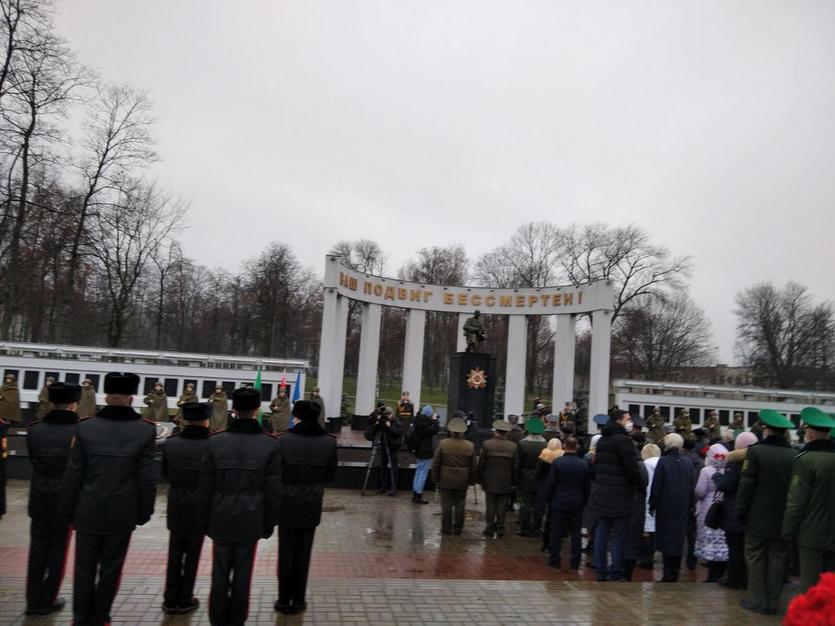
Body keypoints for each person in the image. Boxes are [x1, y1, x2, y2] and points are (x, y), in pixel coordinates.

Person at [60, 372, 156, 626]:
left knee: (84, 567)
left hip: (88, 509)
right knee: (111, 568)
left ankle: (80, 618)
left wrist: (68, 510)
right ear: (131, 397)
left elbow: (74, 474)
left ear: (105, 396)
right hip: (122, 511)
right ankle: (101, 617)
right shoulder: (145, 431)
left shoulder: (85, 427)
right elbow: (146, 478)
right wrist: (144, 512)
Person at [198, 387, 280, 626]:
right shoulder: (270, 445)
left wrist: (204, 521)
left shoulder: (215, 443)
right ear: (257, 410)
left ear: (233, 410)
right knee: (243, 574)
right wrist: (268, 524)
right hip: (251, 519)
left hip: (220, 518)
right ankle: (237, 620)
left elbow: (204, 489)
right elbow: (273, 491)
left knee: (220, 572)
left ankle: (218, 619)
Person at [274, 399, 338, 615]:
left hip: (287, 503)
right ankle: (298, 600)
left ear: (297, 417)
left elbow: (275, 474)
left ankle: (284, 600)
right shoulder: (329, 442)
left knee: (286, 552)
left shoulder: (283, 441)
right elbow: (330, 476)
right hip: (311, 503)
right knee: (304, 553)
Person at [25, 382, 80, 616]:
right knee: (58, 550)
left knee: (37, 549)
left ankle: (32, 600)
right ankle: (48, 598)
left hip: (39, 497)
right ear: (73, 403)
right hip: (64, 500)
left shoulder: (35, 428)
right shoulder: (79, 431)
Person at [736, 409, 796, 616]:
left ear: (767, 430)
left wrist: (740, 511)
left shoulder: (756, 452)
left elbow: (747, 485)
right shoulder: (793, 455)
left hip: (758, 516)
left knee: (755, 557)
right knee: (778, 559)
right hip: (782, 516)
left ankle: (757, 600)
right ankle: (773, 601)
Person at [161, 401, 211, 615]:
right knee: (192, 554)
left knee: (174, 552)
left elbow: (164, 474)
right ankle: (186, 597)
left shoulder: (171, 443)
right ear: (206, 421)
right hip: (200, 505)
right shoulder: (212, 445)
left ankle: (170, 598)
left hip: (176, 503)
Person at [782, 407, 835, 594]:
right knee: (830, 587)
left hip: (811, 534)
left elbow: (796, 503)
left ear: (810, 432)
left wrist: (786, 531)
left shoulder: (806, 460)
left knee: (810, 586)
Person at [588, 410, 645, 581]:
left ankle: (601, 572)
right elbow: (632, 468)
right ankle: (616, 573)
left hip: (602, 495)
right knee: (619, 537)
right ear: (619, 421)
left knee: (601, 536)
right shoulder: (624, 441)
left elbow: (596, 467)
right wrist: (641, 487)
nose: (630, 422)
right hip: (620, 496)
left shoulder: (603, 440)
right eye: (628, 419)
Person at [713, 431, 758, 589]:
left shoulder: (735, 462)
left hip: (734, 511)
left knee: (734, 549)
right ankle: (747, 579)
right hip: (751, 512)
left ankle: (733, 579)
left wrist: (717, 478)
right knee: (748, 549)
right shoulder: (758, 461)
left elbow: (727, 485)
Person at [649, 433, 695, 582]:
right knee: (678, 539)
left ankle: (668, 572)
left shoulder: (663, 462)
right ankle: (675, 571)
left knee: (666, 538)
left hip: (665, 505)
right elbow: (691, 485)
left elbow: (657, 485)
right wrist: (691, 504)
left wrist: (652, 504)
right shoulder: (687, 462)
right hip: (682, 506)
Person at [544, 436, 590, 570]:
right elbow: (587, 486)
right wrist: (584, 501)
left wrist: (548, 499)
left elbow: (551, 483)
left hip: (559, 501)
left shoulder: (558, 463)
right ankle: (575, 561)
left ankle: (555, 560)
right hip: (576, 501)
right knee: (576, 533)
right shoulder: (583, 464)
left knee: (556, 532)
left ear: (564, 446)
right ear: (577, 447)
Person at [431, 416, 476, 535]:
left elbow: (436, 462)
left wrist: (435, 477)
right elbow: (473, 466)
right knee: (460, 505)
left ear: (450, 430)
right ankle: (458, 528)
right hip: (462, 479)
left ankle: (446, 528)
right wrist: (472, 480)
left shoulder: (443, 444)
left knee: (446, 505)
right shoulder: (470, 446)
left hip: (446, 478)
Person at [695, 443, 730, 582]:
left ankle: (712, 573)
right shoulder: (728, 470)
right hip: (723, 507)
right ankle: (721, 571)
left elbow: (700, 491)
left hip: (708, 508)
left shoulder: (706, 471)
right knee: (721, 539)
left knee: (709, 536)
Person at [478, 419, 518, 538]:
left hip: (489, 479)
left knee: (490, 505)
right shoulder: (513, 446)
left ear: (496, 430)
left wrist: (480, 479)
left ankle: (489, 527)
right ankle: (500, 527)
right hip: (506, 480)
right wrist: (514, 482)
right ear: (506, 432)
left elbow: (482, 463)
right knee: (502, 505)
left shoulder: (487, 444)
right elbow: (515, 466)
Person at [517, 417, 547, 538]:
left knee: (526, 504)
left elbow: (518, 463)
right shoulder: (545, 444)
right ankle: (537, 528)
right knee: (539, 505)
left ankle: (525, 528)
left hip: (525, 477)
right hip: (540, 478)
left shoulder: (522, 444)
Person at [364, 406, 402, 495]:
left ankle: (393, 488)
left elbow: (398, 433)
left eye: (389, 414)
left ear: (392, 414)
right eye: (386, 414)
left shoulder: (396, 422)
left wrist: (390, 427)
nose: (387, 416)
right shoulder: (382, 422)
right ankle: (383, 487)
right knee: (383, 467)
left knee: (393, 468)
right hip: (384, 447)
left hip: (393, 448)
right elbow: (370, 434)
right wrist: (377, 423)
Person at [535, 438, 564, 549]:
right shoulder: (562, 456)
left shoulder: (544, 455)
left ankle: (539, 529)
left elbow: (537, 473)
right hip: (557, 488)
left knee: (541, 509)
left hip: (544, 485)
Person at [639, 443, 662, 570]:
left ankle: (645, 557)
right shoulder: (663, 464)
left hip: (646, 497)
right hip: (659, 499)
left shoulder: (645, 465)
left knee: (646, 529)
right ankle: (651, 554)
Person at [410, 405, 439, 504]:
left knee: (418, 472)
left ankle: (415, 493)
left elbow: (429, 425)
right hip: (424, 451)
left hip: (418, 451)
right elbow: (435, 429)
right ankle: (418, 494)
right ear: (428, 415)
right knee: (423, 473)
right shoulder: (424, 425)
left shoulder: (419, 421)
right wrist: (435, 420)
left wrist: (432, 420)